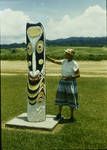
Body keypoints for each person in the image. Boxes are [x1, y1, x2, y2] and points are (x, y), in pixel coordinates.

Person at [47, 48, 80, 122]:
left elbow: (78, 74)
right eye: (65, 53)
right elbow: (55, 61)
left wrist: (70, 77)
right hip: (62, 81)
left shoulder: (74, 63)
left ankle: (72, 116)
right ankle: (59, 114)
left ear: (70, 55)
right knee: (60, 97)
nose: (65, 54)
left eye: (66, 53)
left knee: (71, 98)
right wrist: (47, 58)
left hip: (70, 82)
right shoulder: (64, 61)